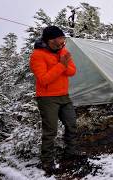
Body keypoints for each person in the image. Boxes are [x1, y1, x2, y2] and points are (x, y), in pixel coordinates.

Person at [29, 26, 78, 173]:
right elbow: (44, 80)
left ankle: (70, 153)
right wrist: (61, 65)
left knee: (72, 124)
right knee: (50, 131)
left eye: (63, 39)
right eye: (60, 39)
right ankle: (47, 161)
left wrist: (61, 66)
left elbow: (72, 71)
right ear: (51, 40)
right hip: (47, 98)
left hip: (64, 95)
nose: (63, 42)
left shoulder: (63, 51)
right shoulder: (37, 55)